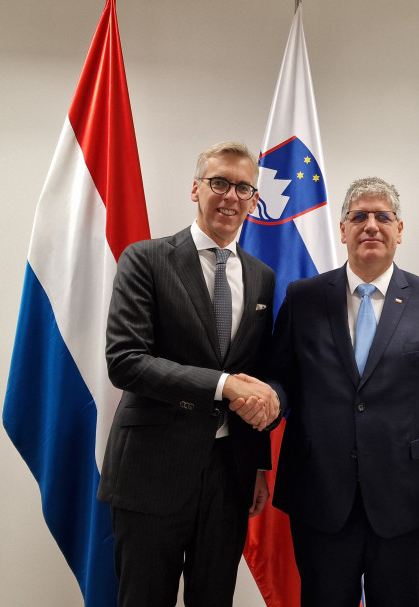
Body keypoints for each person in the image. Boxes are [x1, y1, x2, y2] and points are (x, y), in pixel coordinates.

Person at [267, 176, 419, 607]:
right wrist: (265, 398)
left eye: (383, 217)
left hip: (408, 505)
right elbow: (281, 380)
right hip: (321, 500)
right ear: (342, 229)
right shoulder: (303, 297)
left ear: (399, 230)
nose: (371, 225)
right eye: (359, 216)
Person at [97, 141, 282, 607]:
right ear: (195, 189)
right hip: (150, 472)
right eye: (219, 182)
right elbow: (125, 360)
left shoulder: (262, 276)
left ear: (254, 201)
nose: (231, 196)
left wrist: (258, 462)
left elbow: (257, 371)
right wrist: (222, 386)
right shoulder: (145, 259)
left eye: (244, 188)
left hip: (230, 476)